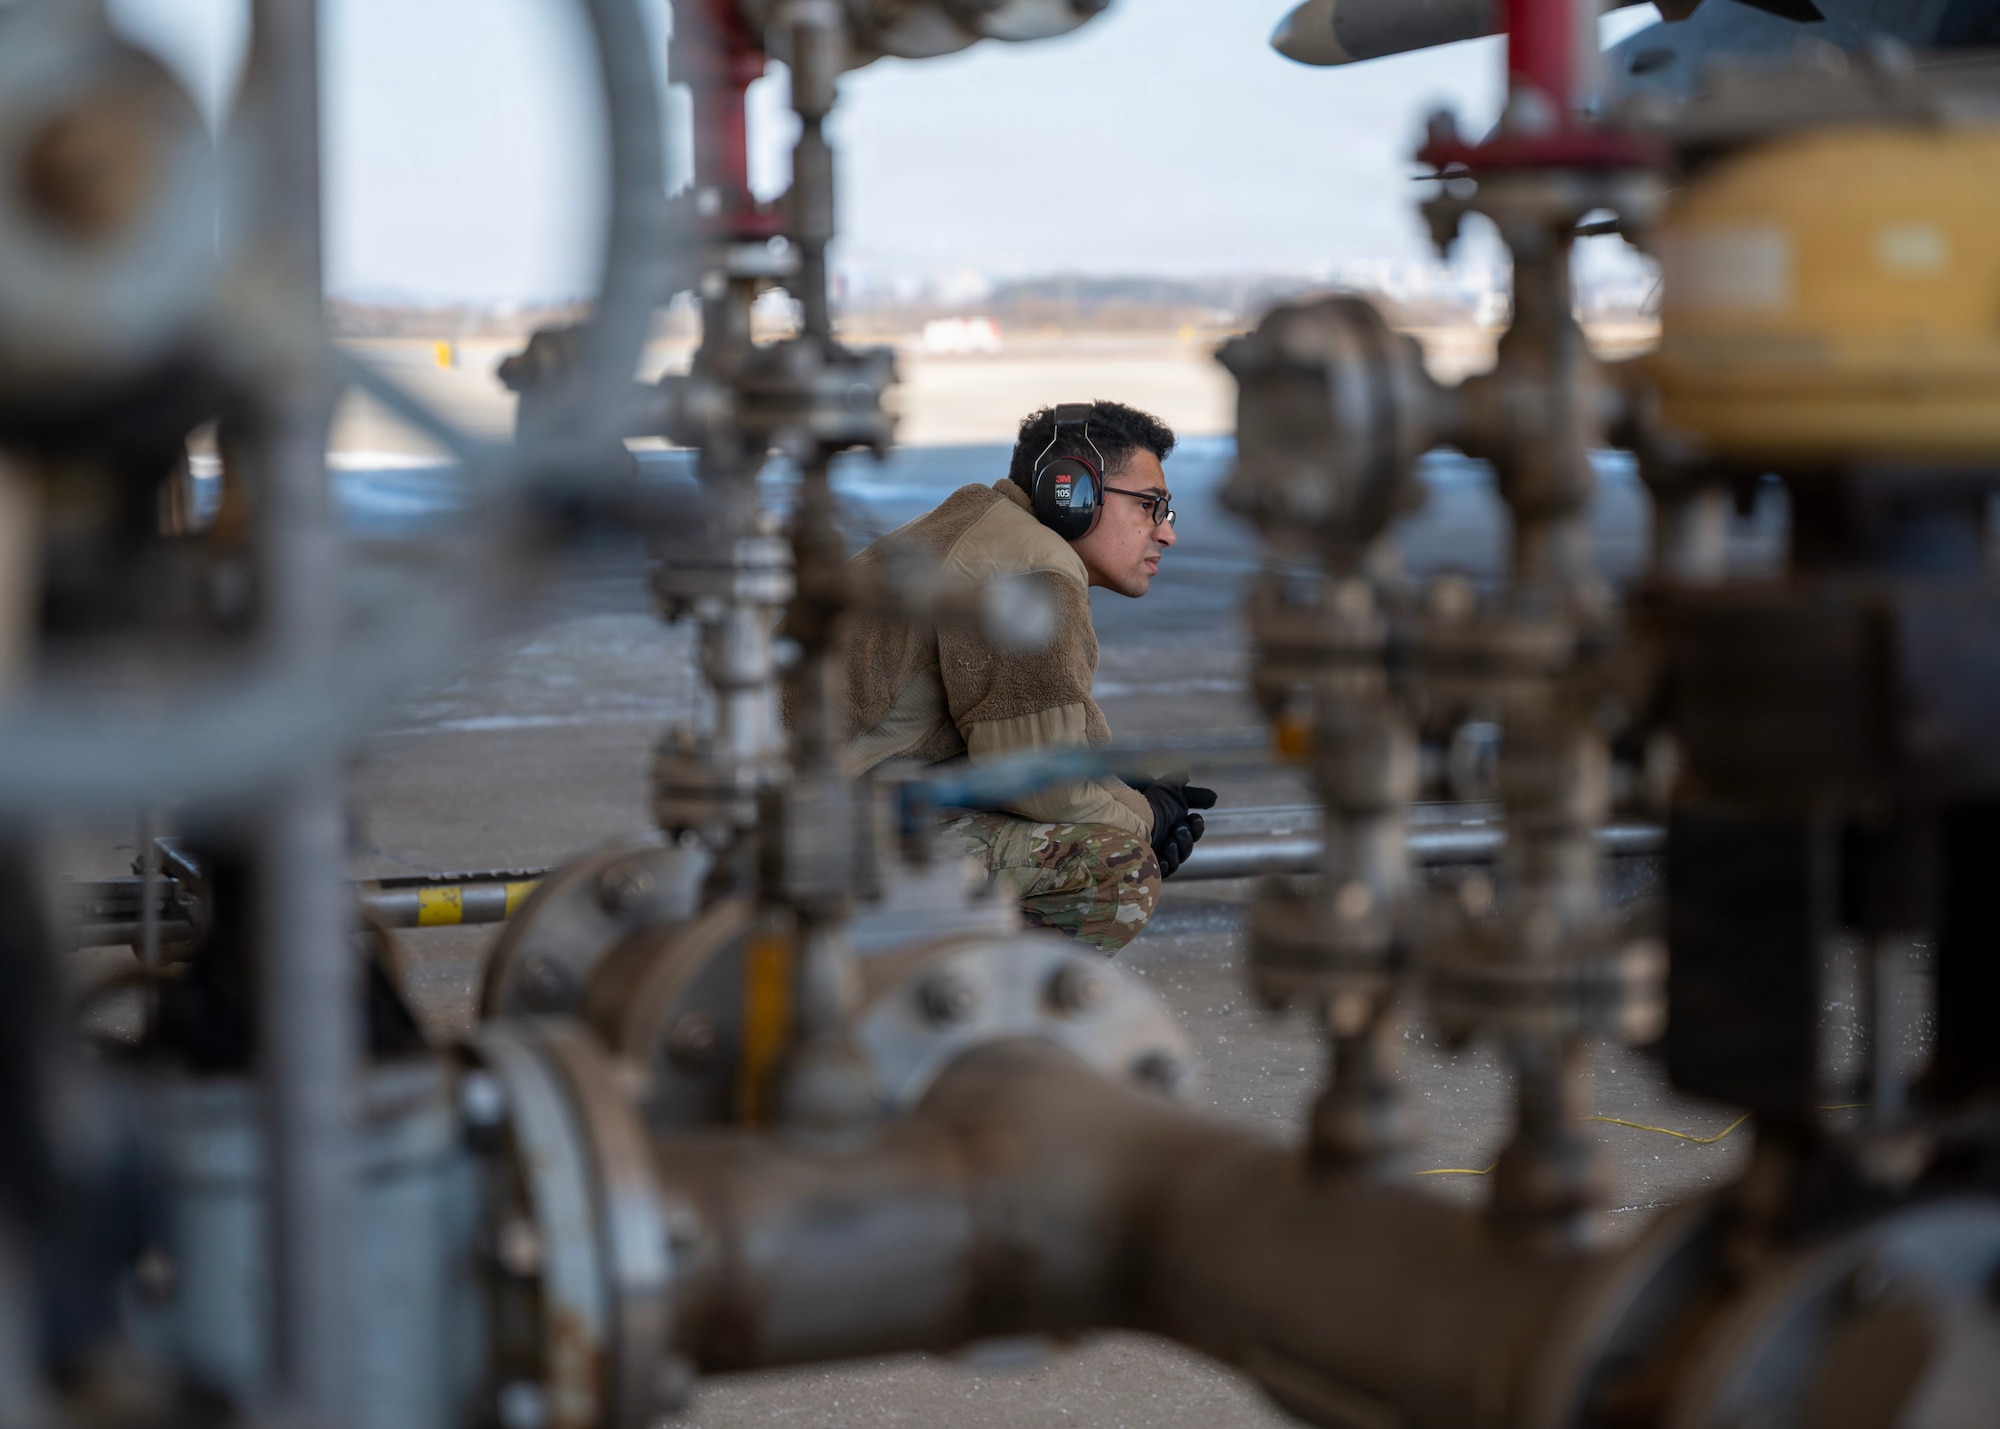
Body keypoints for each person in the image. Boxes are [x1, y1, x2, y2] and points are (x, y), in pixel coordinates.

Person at [837, 400, 1216, 953]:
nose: (1166, 533)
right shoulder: (1029, 567)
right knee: (1115, 868)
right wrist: (1148, 821)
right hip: (822, 841)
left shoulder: (982, 529)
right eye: (1149, 505)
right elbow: (1041, 786)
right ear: (1073, 493)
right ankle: (931, 1000)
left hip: (807, 810)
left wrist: (1115, 786)